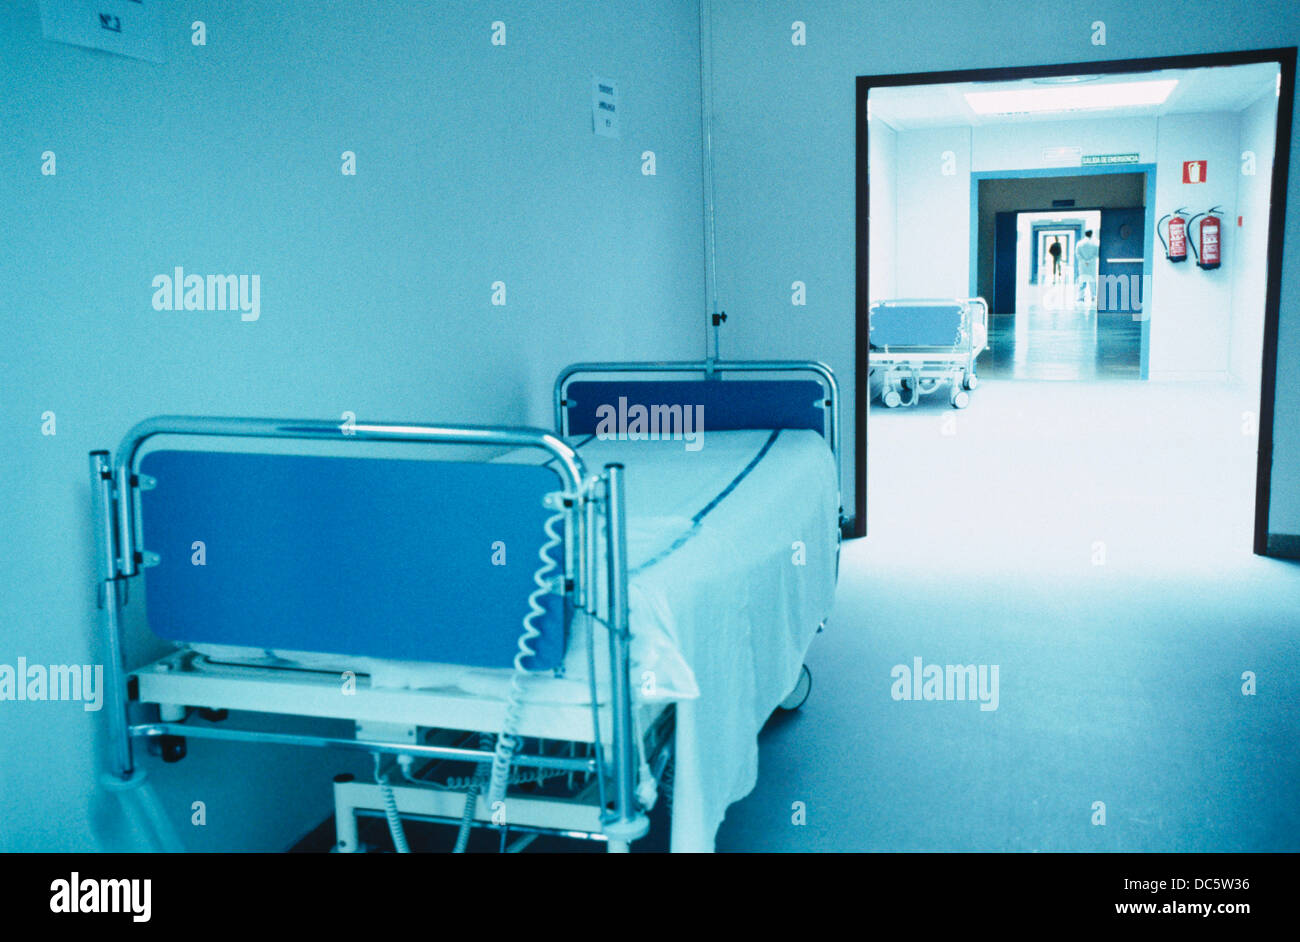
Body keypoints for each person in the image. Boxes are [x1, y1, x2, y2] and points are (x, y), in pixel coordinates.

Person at [1074, 229, 1100, 308]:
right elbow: (1096, 254)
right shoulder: (1095, 244)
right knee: (1092, 281)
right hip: (1091, 265)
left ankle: (1081, 297)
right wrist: (1089, 261)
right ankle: (1093, 296)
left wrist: (1084, 261)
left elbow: (1077, 254)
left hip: (1082, 265)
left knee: (1082, 281)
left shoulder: (1079, 243)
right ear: (1091, 234)